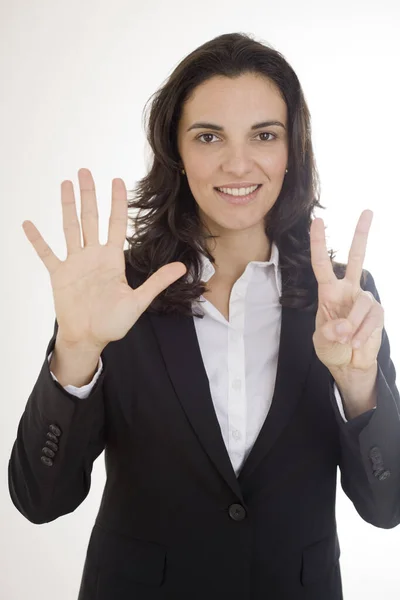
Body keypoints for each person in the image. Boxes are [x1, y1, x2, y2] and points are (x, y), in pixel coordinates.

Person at [7, 32, 400, 600]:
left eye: (264, 135)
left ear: (293, 151)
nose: (237, 163)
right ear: (177, 152)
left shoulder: (339, 297)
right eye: (209, 136)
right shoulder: (117, 293)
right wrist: (76, 353)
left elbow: (387, 508)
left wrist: (358, 385)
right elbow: (40, 501)